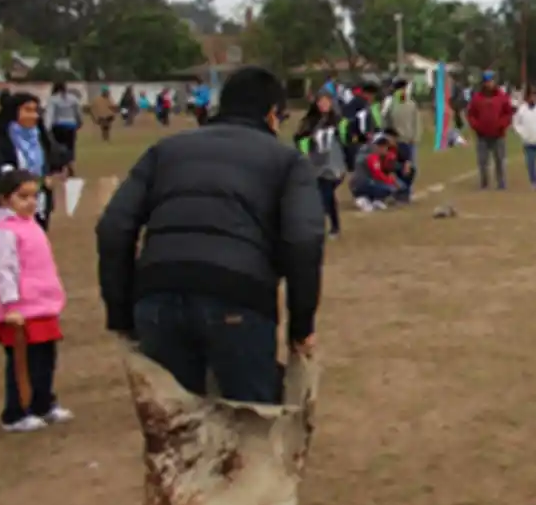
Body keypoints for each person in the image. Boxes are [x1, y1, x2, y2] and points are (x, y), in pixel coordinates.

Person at [96, 66, 324, 406]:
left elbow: (114, 228)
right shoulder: (287, 161)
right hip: (239, 298)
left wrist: (121, 311)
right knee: (252, 427)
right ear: (272, 115)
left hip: (157, 295)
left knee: (178, 430)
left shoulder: (165, 150)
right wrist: (301, 326)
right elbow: (303, 242)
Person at [0, 169, 73, 433]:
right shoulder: (4, 233)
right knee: (23, 364)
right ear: (4, 200)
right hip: (21, 312)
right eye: (23, 197)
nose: (31, 202)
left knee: (46, 360)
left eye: (34, 196)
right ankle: (15, 413)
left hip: (42, 308)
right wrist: (11, 305)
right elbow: (5, 270)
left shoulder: (32, 225)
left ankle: (43, 404)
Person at [0, 92, 66, 232]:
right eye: (28, 110)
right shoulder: (0, 137)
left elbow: (54, 160)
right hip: (10, 203)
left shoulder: (40, 136)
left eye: (36, 111)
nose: (34, 115)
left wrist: (54, 174)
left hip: (39, 201)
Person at [295, 92, 346, 239]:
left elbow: (346, 140)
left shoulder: (337, 121)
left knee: (326, 194)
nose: (323, 105)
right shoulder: (310, 122)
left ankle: (322, 226)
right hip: (315, 164)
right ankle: (334, 226)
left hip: (333, 165)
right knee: (324, 196)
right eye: (320, 102)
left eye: (326, 102)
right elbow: (299, 140)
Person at [466, 71, 515, 190]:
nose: (489, 84)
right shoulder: (477, 98)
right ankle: (484, 183)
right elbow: (471, 114)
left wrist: (501, 124)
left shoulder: (502, 97)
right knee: (483, 161)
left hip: (498, 134)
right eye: (487, 81)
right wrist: (476, 126)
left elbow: (508, 113)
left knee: (499, 159)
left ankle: (501, 182)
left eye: (491, 81)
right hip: (482, 135)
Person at [383, 79, 422, 191]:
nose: (402, 91)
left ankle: (407, 190)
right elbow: (386, 122)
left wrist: (415, 138)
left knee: (411, 168)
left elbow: (416, 122)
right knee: (397, 168)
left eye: (404, 89)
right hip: (395, 142)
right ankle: (399, 190)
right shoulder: (390, 105)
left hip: (409, 141)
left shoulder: (412, 105)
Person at [349, 135, 403, 210]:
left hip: (355, 184)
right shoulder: (372, 156)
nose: (384, 149)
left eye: (385, 146)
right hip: (361, 185)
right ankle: (363, 199)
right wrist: (392, 181)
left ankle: (373, 200)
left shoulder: (363, 151)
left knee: (381, 184)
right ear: (375, 146)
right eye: (381, 146)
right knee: (390, 188)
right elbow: (377, 175)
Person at [46, 82, 84, 173]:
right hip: (71, 125)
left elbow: (49, 114)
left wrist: (47, 127)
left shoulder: (53, 99)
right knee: (71, 147)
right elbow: (78, 113)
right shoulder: (73, 98)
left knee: (58, 147)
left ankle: (62, 167)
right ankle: (71, 165)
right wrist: (79, 123)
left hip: (58, 126)